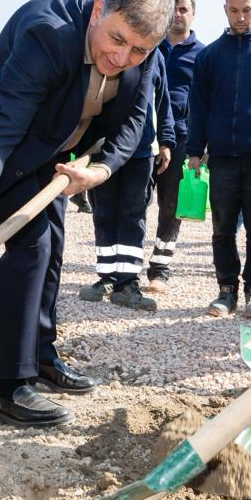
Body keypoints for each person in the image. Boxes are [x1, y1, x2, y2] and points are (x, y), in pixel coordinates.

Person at [0, 0, 170, 429]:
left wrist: (96, 171)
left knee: (54, 243)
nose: (122, 57)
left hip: (53, 149)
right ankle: (8, 389)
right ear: (99, 10)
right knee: (32, 243)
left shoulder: (145, 50)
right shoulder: (47, 32)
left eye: (138, 49)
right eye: (116, 39)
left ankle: (39, 355)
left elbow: (135, 122)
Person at [187, 0, 251, 318]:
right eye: (234, 10)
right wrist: (194, 150)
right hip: (222, 157)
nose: (241, 16)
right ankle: (226, 291)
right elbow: (197, 107)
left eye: (247, 10)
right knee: (223, 228)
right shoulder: (208, 56)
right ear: (225, 9)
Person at [81, 47, 173, 311]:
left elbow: (162, 101)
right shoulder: (109, 50)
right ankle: (106, 278)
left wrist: (166, 141)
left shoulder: (155, 57)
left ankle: (127, 283)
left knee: (132, 215)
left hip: (140, 152)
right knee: (104, 213)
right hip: (104, 150)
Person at [145, 0, 204, 293]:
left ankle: (160, 267)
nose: (178, 14)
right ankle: (122, 269)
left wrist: (202, 145)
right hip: (143, 136)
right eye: (174, 8)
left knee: (170, 206)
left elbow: (207, 102)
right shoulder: (148, 46)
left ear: (193, 14)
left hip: (181, 138)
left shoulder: (202, 55)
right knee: (136, 201)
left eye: (184, 9)